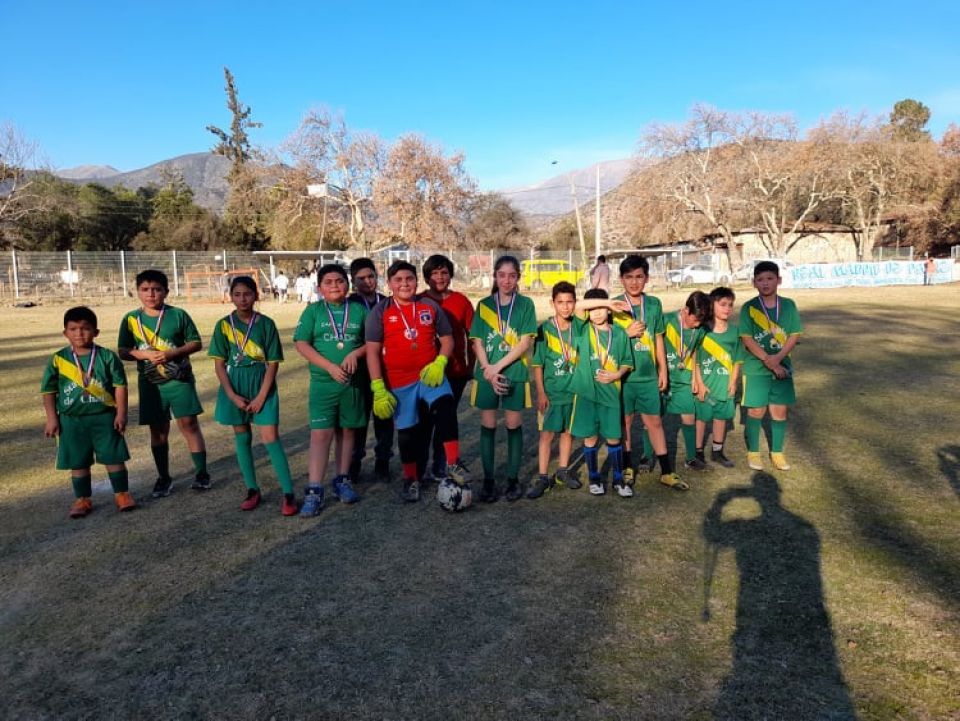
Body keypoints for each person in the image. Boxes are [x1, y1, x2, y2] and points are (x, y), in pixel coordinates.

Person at [365, 260, 462, 503]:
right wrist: (378, 386)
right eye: (398, 280)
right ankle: (410, 479)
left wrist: (440, 362)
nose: (405, 284)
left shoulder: (429, 306)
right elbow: (372, 351)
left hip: (430, 376)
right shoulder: (380, 311)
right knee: (407, 432)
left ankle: (452, 464)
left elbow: (448, 339)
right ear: (389, 284)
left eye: (409, 279)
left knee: (447, 409)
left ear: (416, 281)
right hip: (400, 382)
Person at [209, 276, 297, 516]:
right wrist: (232, 396)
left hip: (262, 386)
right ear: (231, 296)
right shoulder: (223, 325)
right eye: (237, 294)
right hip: (235, 386)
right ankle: (252, 489)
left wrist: (261, 396)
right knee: (242, 437)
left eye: (247, 294)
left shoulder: (266, 324)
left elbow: (272, 363)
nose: (242, 299)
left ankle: (288, 493)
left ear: (256, 295)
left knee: (270, 437)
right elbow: (219, 365)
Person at [118, 269, 210, 497]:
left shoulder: (178, 315)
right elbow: (123, 350)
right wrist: (145, 355)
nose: (151, 294)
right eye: (145, 289)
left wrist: (172, 353)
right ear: (137, 292)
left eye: (157, 289)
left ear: (166, 292)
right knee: (158, 430)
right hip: (151, 383)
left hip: (178, 379)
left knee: (189, 425)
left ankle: (201, 473)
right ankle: (163, 477)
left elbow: (196, 343)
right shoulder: (131, 319)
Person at [42, 306, 135, 518]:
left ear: (96, 331)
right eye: (73, 329)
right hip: (72, 420)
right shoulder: (58, 359)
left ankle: (122, 494)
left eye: (85, 328)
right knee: (78, 460)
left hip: (104, 417)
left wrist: (121, 413)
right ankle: (82, 499)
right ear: (65, 333)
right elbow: (48, 391)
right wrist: (51, 419)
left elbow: (120, 386)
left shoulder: (107, 357)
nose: (79, 333)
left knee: (113, 457)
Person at [293, 264, 369, 514]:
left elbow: (372, 342)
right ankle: (314, 489)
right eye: (329, 282)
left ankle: (342, 480)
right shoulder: (313, 311)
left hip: (352, 383)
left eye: (339, 281)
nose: (335, 286)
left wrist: (356, 353)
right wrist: (329, 367)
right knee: (321, 435)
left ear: (347, 285)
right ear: (319, 287)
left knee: (347, 432)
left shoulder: (358, 309)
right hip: (324, 384)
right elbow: (302, 344)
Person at [469, 255, 537, 502]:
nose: (506, 280)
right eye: (502, 275)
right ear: (495, 276)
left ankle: (512, 479)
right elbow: (477, 340)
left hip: (514, 374)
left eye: (512, 275)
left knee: (513, 426)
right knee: (488, 426)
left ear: (518, 277)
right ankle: (488, 481)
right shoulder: (484, 304)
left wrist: (497, 366)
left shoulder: (526, 304)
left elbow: (525, 342)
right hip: (487, 375)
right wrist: (488, 369)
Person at [739, 261, 803, 471]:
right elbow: (747, 339)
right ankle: (754, 452)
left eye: (769, 278)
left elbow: (794, 335)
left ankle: (777, 452)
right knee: (756, 411)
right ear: (754, 283)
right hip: (756, 368)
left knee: (779, 412)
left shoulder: (789, 305)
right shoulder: (749, 307)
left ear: (779, 280)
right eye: (760, 279)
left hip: (782, 367)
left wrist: (778, 359)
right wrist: (769, 360)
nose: (765, 283)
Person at [569, 288, 633, 496]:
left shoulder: (620, 333)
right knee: (590, 438)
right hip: (588, 395)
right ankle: (594, 478)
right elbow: (578, 306)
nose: (596, 312)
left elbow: (626, 362)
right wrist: (606, 301)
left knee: (614, 438)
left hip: (611, 394)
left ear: (608, 311)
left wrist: (616, 375)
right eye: (593, 308)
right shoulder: (582, 329)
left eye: (601, 309)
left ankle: (618, 479)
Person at [611, 255, 668, 483]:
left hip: (647, 377)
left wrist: (663, 370)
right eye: (628, 277)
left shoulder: (653, 304)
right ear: (621, 279)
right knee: (625, 423)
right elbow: (607, 342)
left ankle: (666, 471)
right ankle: (627, 466)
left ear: (646, 278)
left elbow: (659, 339)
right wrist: (626, 334)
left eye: (639, 277)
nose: (634, 282)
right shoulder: (613, 305)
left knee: (654, 422)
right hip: (624, 378)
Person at [420, 254, 474, 483]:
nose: (440, 277)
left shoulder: (461, 301)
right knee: (425, 421)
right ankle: (419, 468)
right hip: (426, 373)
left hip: (455, 372)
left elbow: (474, 336)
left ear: (450, 275)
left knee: (447, 419)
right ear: (426, 277)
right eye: (434, 273)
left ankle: (442, 464)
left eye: (444, 272)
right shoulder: (418, 300)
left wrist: (470, 365)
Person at [528, 282, 579, 498]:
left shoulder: (580, 325)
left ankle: (562, 471)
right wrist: (541, 392)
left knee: (568, 432)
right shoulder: (545, 330)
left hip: (574, 392)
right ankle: (542, 477)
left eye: (570, 302)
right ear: (552, 303)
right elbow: (538, 364)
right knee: (547, 435)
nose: (566, 307)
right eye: (560, 302)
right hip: (551, 393)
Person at [347, 257, 393, 482]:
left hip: (385, 370)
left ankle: (383, 461)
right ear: (353, 281)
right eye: (361, 278)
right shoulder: (348, 305)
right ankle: (354, 462)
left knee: (384, 417)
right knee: (359, 419)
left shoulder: (387, 302)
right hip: (359, 371)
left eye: (371, 276)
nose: (367, 282)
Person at [662, 291, 713, 486]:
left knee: (689, 415)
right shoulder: (666, 320)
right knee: (654, 417)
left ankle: (691, 457)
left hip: (683, 377)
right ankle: (647, 456)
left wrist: (695, 378)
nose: (698, 324)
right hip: (663, 377)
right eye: (695, 319)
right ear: (685, 310)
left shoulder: (700, 329)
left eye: (701, 321)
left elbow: (695, 352)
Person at [692, 287, 741, 468]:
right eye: (722, 305)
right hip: (706, 384)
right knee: (702, 418)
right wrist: (698, 382)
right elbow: (694, 358)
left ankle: (717, 452)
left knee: (721, 417)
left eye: (730, 305)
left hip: (724, 384)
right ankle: (697, 452)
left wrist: (733, 381)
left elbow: (737, 359)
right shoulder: (702, 330)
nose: (727, 308)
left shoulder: (735, 332)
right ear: (712, 305)